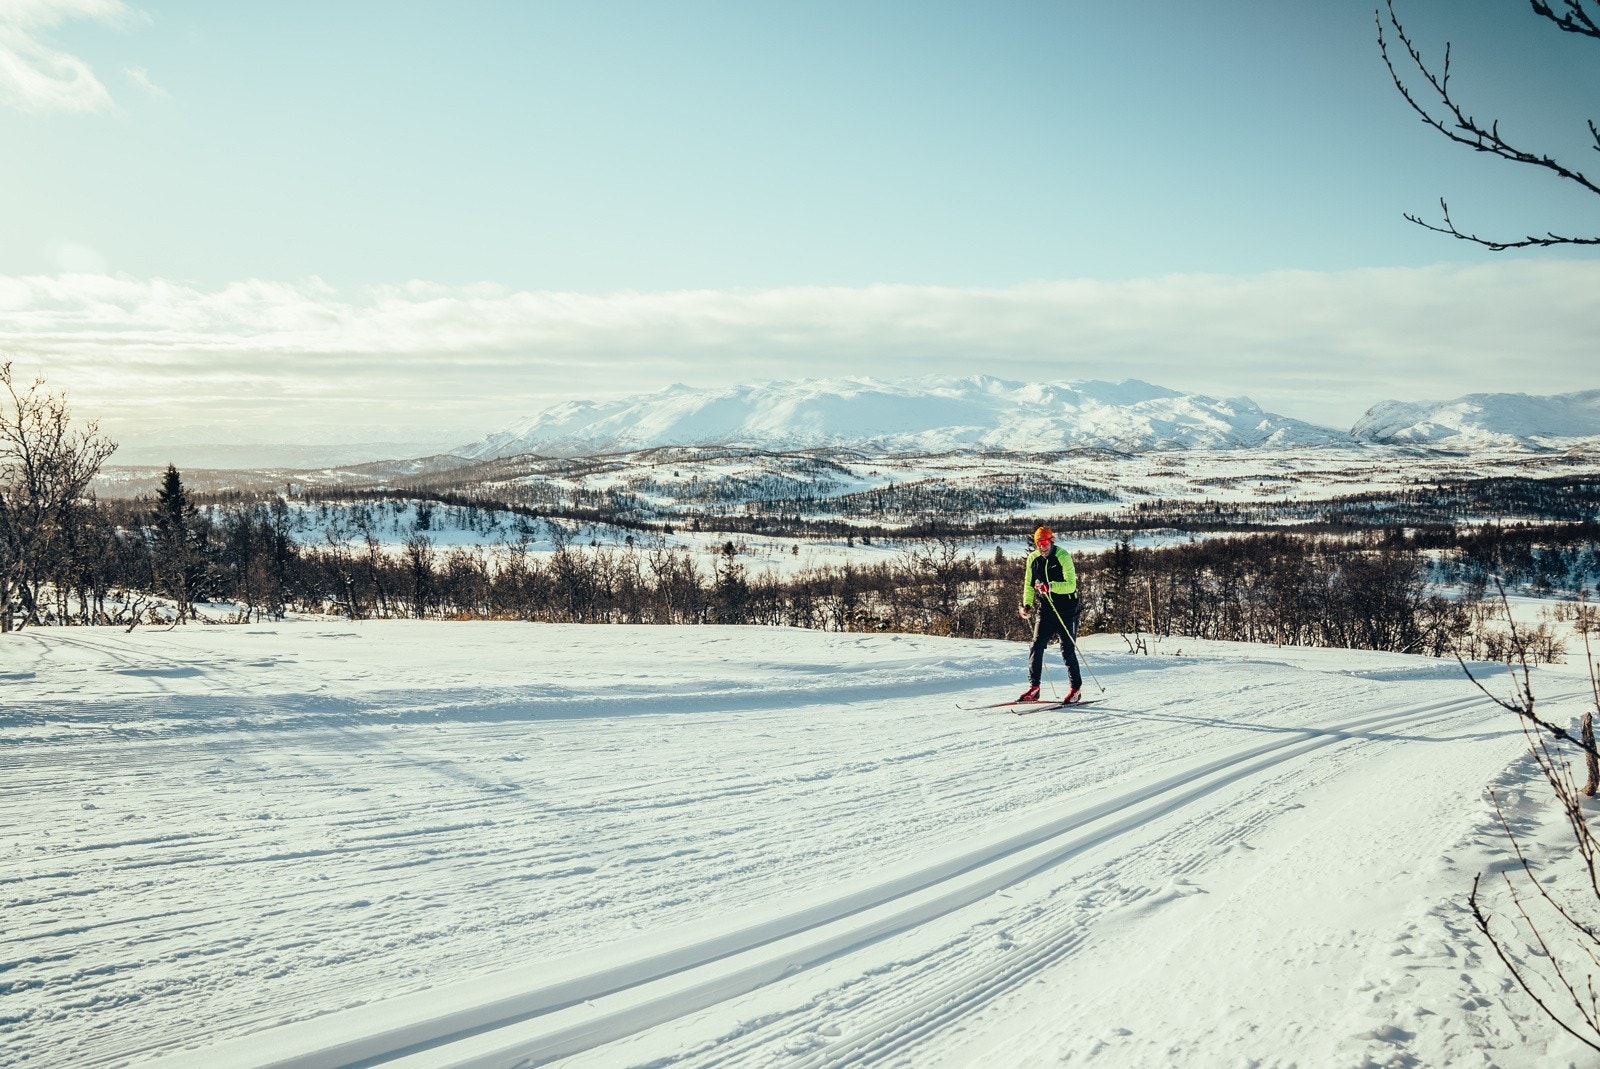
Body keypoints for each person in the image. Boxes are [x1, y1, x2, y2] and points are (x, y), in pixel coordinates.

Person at [1017, 525, 1082, 703]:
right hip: (1046, 608)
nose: (1042, 547)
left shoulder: (1062, 556)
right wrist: (1027, 605)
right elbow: (1029, 585)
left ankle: (1075, 689)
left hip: (1068, 608)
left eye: (1045, 543)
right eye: (1038, 543)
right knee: (1036, 646)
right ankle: (1034, 688)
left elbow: (1071, 585)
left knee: (1067, 649)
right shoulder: (1033, 559)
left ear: (1051, 541)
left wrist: (1051, 586)